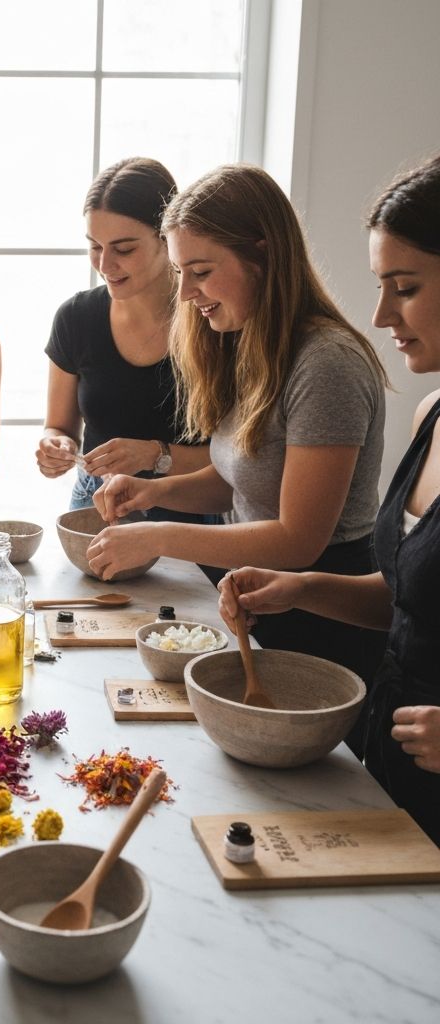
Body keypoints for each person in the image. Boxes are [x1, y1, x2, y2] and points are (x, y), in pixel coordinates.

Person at [88, 164, 388, 689]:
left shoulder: (327, 363)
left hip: (321, 619)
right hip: (258, 602)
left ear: (262, 255)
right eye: (180, 272)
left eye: (200, 272)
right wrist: (152, 492)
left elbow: (298, 539)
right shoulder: (252, 343)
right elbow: (241, 479)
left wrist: (157, 535)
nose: (185, 293)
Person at [219, 156, 440, 844]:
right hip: (389, 757)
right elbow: (410, 603)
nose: (380, 314)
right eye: (381, 286)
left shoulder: (330, 362)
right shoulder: (431, 415)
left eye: (405, 287)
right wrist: (300, 588)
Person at [35, 158, 213, 517]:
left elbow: (240, 459)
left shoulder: (212, 317)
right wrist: (56, 446)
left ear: (167, 238)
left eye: (124, 249)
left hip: (193, 507)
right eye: (94, 246)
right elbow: (58, 426)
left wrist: (154, 455)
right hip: (98, 504)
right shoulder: (76, 318)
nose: (104, 265)